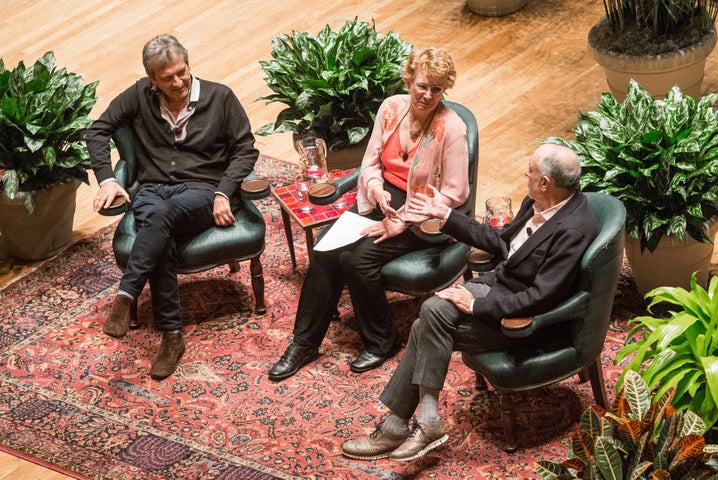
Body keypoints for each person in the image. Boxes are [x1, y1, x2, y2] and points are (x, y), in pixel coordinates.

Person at [341, 143, 598, 461]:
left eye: (530, 170)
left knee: (427, 322)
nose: (525, 174)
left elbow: (541, 297)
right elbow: (500, 243)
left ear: (545, 182)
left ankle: (400, 425)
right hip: (498, 287)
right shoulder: (539, 201)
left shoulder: (573, 228)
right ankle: (424, 421)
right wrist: (445, 215)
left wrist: (476, 306)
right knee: (433, 310)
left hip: (525, 321)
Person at [268, 47, 470, 381]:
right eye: (422, 85)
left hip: (425, 214)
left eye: (436, 88)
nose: (428, 95)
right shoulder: (391, 109)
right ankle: (304, 343)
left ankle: (382, 341)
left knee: (357, 258)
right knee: (326, 247)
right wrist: (375, 188)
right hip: (382, 198)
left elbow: (455, 192)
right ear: (409, 79)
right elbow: (370, 162)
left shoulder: (453, 128)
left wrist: (402, 220)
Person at [86, 34, 259, 380]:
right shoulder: (139, 94)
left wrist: (224, 192)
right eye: (168, 78)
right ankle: (171, 337)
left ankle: (127, 293)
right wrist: (108, 178)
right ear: (153, 80)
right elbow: (97, 130)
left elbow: (246, 150)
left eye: (182, 72)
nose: (178, 82)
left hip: (202, 189)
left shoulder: (220, 97)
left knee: (159, 219)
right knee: (159, 235)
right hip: (153, 189)